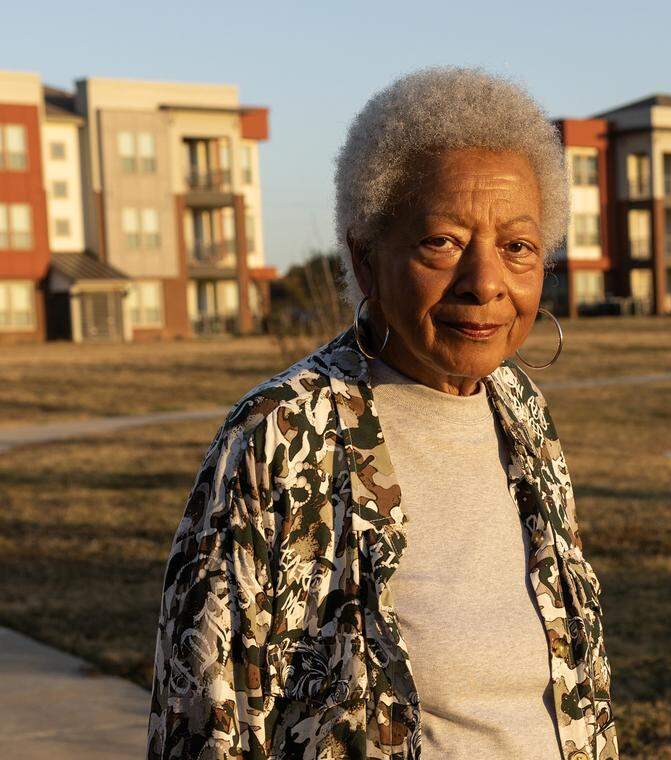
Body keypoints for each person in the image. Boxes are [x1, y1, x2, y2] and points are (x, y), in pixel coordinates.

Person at [147, 66, 618, 760]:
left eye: (517, 247)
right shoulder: (282, 436)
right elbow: (205, 719)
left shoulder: (523, 415)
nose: (485, 282)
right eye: (442, 242)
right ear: (365, 259)